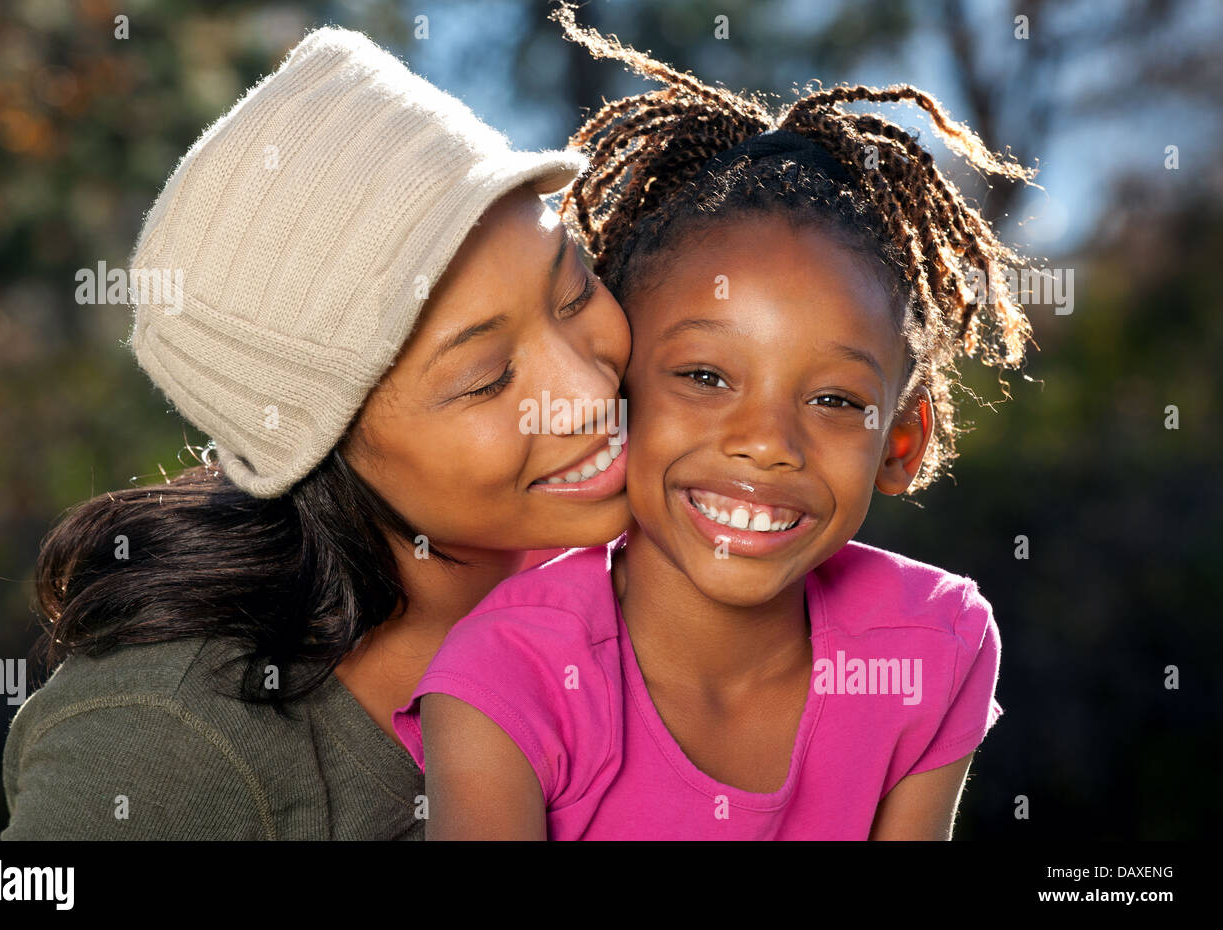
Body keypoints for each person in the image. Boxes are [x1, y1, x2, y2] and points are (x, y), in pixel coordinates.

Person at [390, 5, 1039, 839]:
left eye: (835, 400)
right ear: (615, 396)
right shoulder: (509, 679)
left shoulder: (933, 643)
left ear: (901, 444)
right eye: (704, 376)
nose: (767, 442)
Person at [1, 25, 631, 840]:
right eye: (487, 380)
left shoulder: (671, 550)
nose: (585, 392)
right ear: (320, 446)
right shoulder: (172, 737)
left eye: (574, 291)